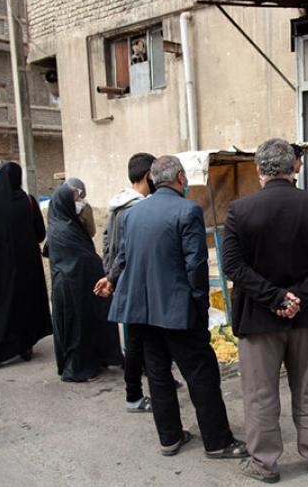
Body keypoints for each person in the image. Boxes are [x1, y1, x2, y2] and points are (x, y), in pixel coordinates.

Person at [98, 156, 247, 459]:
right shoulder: (187, 210)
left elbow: (123, 257)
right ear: (180, 177)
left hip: (143, 312)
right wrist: (200, 306)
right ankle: (217, 442)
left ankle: (170, 437)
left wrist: (110, 279)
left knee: (158, 374)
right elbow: (196, 264)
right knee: (201, 374)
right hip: (178, 310)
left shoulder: (133, 214)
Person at [222, 138, 308, 483]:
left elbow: (233, 265)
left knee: (260, 392)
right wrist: (299, 297)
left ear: (258, 170)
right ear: (294, 167)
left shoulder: (240, 210)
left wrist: (275, 298)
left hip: (259, 317)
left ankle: (264, 463)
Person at [0, 162, 52, 369]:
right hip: (26, 264)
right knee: (24, 303)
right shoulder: (27, 201)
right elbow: (40, 234)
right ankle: (25, 346)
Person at [47, 181, 122, 382]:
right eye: (74, 199)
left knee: (89, 324)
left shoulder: (64, 223)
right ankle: (77, 369)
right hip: (71, 287)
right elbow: (80, 256)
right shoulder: (63, 229)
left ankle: (97, 359)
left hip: (78, 283)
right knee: (77, 330)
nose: (78, 202)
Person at [102, 152, 156, 413]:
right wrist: (113, 276)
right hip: (135, 283)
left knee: (139, 340)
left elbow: (107, 243)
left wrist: (110, 275)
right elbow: (128, 251)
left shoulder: (118, 205)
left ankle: (153, 383)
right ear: (148, 175)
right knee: (136, 342)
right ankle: (133, 396)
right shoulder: (136, 208)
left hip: (124, 281)